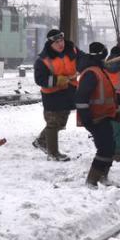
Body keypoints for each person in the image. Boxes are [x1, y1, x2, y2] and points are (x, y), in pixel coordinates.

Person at [75, 42, 118, 188]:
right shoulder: (91, 73)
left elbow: (108, 92)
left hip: (104, 115)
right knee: (104, 148)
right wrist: (87, 119)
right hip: (95, 118)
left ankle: (102, 177)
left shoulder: (99, 70)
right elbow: (81, 98)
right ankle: (91, 180)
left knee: (110, 147)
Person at [32, 29, 79, 161]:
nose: (60, 44)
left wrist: (95, 61)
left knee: (60, 122)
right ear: (50, 44)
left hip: (69, 92)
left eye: (61, 41)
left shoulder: (73, 51)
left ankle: (41, 141)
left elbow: (84, 60)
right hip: (52, 96)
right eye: (57, 42)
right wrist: (57, 80)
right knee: (53, 123)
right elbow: (39, 79)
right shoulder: (43, 60)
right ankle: (53, 154)